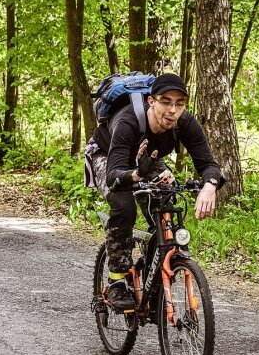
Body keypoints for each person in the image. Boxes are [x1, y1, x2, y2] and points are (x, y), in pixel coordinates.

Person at [87, 73, 225, 311]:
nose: (172, 110)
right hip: (108, 157)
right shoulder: (128, 121)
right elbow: (113, 175)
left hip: (148, 160)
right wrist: (136, 175)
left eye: (179, 103)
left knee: (167, 204)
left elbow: (208, 163)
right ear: (152, 101)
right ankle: (118, 281)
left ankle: (154, 269)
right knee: (124, 206)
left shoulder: (184, 122)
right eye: (166, 101)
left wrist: (209, 185)